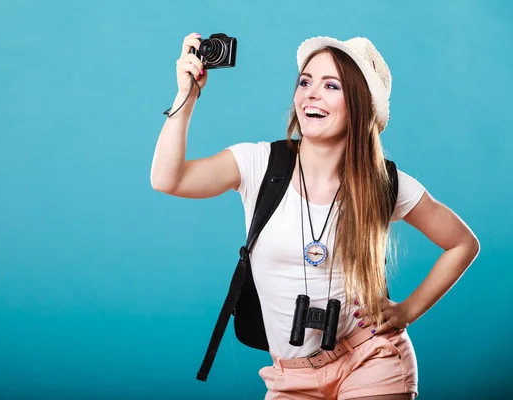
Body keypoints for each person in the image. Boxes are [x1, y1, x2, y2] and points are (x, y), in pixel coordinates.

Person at [150, 33, 480, 400]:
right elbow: (168, 178)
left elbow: (462, 243)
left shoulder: (383, 182)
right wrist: (187, 95)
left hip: (370, 359)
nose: (311, 93)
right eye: (305, 82)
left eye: (331, 85)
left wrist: (408, 311)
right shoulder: (259, 164)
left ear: (359, 105)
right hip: (291, 377)